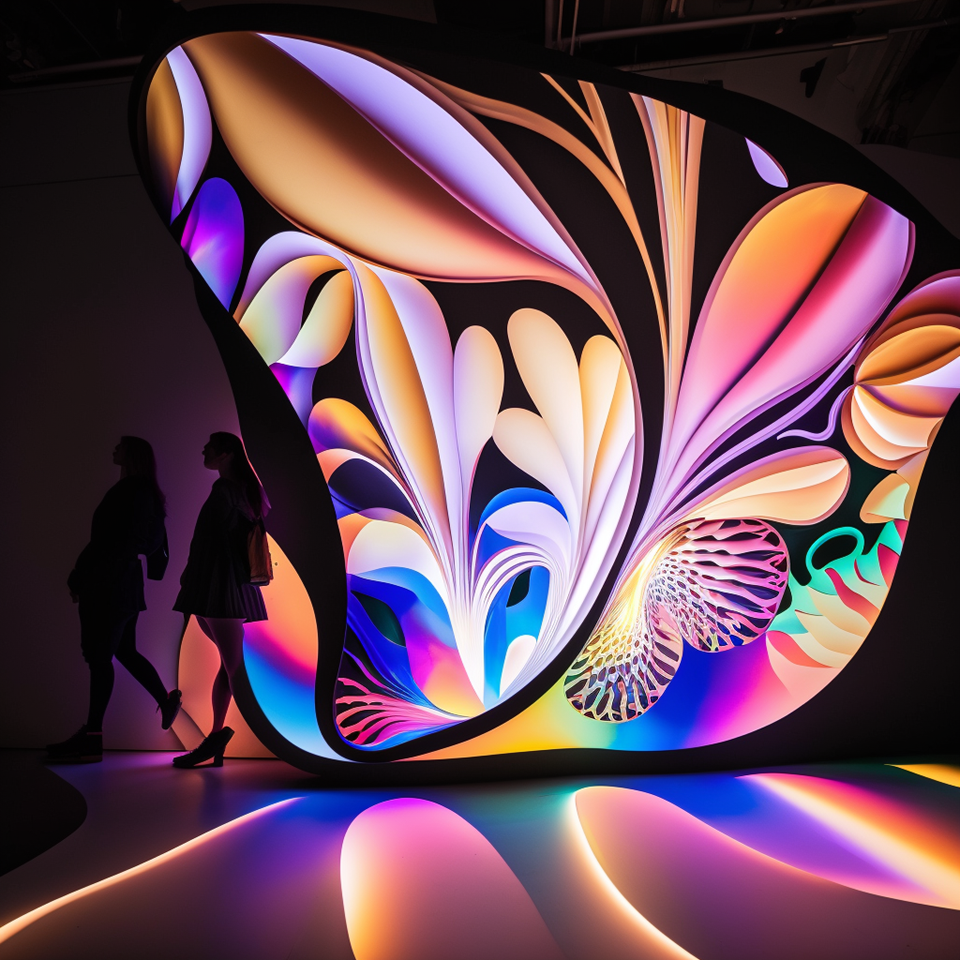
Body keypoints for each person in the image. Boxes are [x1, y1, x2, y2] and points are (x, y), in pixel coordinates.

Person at [47, 437, 181, 763]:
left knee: (99, 657)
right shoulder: (143, 491)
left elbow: (109, 542)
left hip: (110, 584)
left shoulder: (132, 491)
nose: (114, 449)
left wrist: (81, 576)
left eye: (120, 446)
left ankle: (93, 738)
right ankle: (164, 701)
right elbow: (139, 541)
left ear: (131, 454)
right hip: (123, 584)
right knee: (122, 651)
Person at [171, 432, 269, 768]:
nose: (203, 449)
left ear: (225, 453)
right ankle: (215, 736)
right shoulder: (246, 490)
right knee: (230, 665)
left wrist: (191, 574)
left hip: (218, 584)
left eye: (209, 445)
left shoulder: (225, 490)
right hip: (230, 583)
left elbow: (206, 540)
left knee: (233, 666)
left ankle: (222, 736)